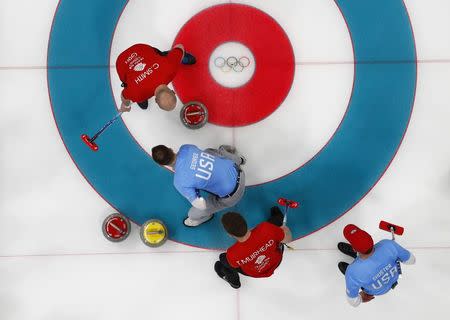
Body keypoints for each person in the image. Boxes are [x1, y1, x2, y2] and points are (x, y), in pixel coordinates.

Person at [151, 144, 246, 227]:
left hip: (234, 195)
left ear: (162, 165)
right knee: (208, 151)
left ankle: (207, 216)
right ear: (170, 149)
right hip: (238, 170)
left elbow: (201, 206)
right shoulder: (186, 148)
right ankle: (240, 160)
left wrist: (197, 191)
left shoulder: (179, 182)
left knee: (192, 214)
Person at [337, 224, 416, 307]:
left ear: (354, 249)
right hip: (385, 286)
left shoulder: (352, 272)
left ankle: (356, 266)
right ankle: (359, 256)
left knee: (354, 275)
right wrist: (395, 253)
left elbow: (353, 302)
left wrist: (361, 298)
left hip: (369, 288)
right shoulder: (388, 245)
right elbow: (412, 260)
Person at [214, 208, 293, 288]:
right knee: (274, 224)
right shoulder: (266, 228)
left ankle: (234, 281)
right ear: (246, 222)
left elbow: (235, 264)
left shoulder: (232, 253)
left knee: (223, 258)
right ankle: (278, 217)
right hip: (276, 261)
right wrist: (285, 230)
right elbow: (288, 239)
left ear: (229, 235)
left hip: (255, 272)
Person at [115, 43, 196, 113]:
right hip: (123, 62)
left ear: (173, 91)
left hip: (139, 49)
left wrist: (126, 106)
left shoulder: (171, 67)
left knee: (165, 58)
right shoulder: (136, 93)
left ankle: (177, 56)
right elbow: (124, 96)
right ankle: (141, 99)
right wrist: (125, 106)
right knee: (137, 94)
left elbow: (179, 47)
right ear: (156, 101)